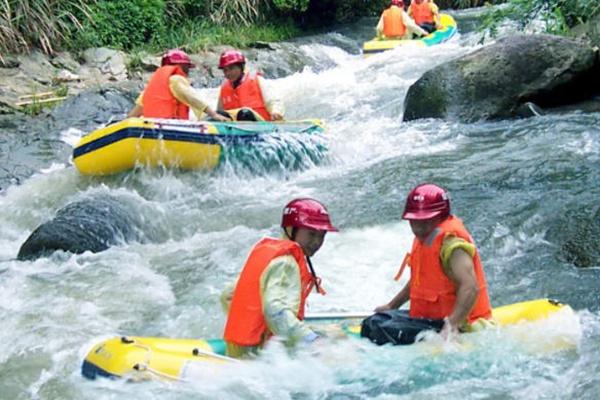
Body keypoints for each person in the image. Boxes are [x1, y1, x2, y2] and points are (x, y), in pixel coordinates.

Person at [368, 183, 493, 344]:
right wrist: (392, 305)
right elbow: (419, 281)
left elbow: (470, 287)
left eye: (425, 221)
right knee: (377, 320)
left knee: (376, 327)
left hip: (465, 325)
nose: (419, 228)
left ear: (441, 216)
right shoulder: (428, 237)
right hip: (431, 321)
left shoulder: (452, 244)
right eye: (414, 222)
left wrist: (452, 325)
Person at [221, 198, 338, 358]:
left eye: (322, 235)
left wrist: (249, 326)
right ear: (291, 229)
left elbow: (228, 295)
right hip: (261, 356)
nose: (317, 242)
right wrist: (311, 340)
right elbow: (275, 310)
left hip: (242, 349)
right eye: (311, 234)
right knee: (338, 338)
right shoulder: (286, 263)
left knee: (333, 333)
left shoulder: (271, 255)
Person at [128, 49, 229, 121]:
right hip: (172, 128)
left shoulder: (151, 87)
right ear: (180, 65)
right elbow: (192, 98)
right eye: (187, 67)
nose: (188, 70)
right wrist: (213, 114)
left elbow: (133, 115)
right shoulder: (176, 79)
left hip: (154, 129)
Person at [217, 50, 285, 121]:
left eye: (231, 68)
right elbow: (219, 113)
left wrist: (276, 112)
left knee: (245, 113)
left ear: (241, 67)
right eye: (225, 70)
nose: (228, 73)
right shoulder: (224, 87)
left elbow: (274, 100)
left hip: (261, 123)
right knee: (219, 113)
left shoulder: (257, 80)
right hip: (235, 126)